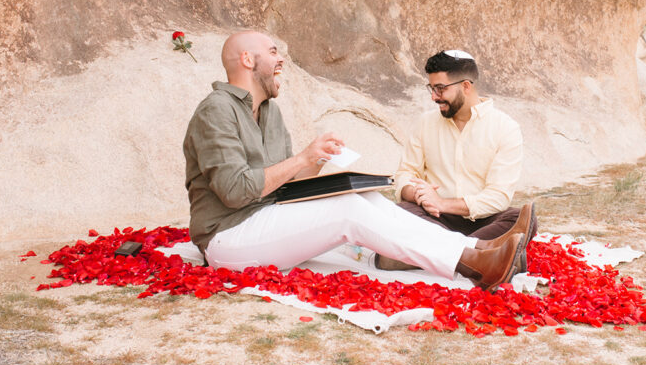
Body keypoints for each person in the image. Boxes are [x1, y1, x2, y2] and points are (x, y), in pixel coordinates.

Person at [184, 31, 528, 291]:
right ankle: (472, 261)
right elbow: (233, 192)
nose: (280, 60)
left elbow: (280, 184)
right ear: (247, 59)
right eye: (273, 52)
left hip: (268, 218)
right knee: (347, 212)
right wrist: (302, 157)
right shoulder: (216, 110)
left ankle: (478, 248)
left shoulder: (270, 112)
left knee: (362, 197)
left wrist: (316, 161)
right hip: (228, 237)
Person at [379, 50, 536, 271]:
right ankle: (480, 255)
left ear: (465, 86)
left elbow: (498, 197)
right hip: (436, 218)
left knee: (518, 218)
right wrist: (419, 195)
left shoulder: (505, 128)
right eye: (432, 88)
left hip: (483, 220)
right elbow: (405, 174)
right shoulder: (425, 123)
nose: (434, 96)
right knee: (401, 212)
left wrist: (442, 202)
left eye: (440, 89)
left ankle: (422, 255)